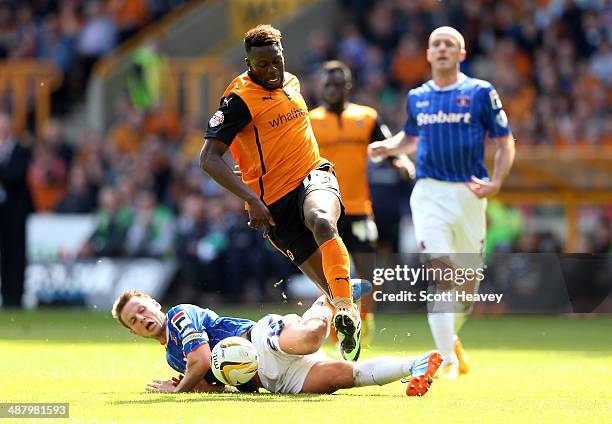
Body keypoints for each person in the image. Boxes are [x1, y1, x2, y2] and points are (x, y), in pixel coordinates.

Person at [199, 25, 360, 360]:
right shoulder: (237, 101)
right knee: (330, 285)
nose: (272, 71)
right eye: (262, 65)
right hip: (273, 206)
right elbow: (208, 158)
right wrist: (251, 199)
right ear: (248, 63)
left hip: (313, 175)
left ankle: (346, 310)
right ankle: (347, 315)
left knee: (321, 221)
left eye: (277, 61)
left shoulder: (293, 82)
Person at [369, 26, 515, 379]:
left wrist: (497, 181)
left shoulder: (480, 92)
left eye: (450, 44)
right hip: (429, 192)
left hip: (468, 194)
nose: (443, 49)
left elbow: (505, 141)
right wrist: (389, 147)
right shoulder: (418, 96)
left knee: (466, 288)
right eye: (436, 44)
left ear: (461, 54)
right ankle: (446, 359)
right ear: (429, 54)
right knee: (441, 275)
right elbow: (412, 137)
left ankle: (450, 339)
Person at [111, 289, 442, 396]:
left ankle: (333, 297)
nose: (142, 318)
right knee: (345, 376)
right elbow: (215, 383)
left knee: (313, 338)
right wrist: (197, 386)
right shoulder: (172, 358)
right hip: (271, 380)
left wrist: (179, 390)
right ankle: (415, 365)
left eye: (142, 309)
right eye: (134, 321)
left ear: (155, 304)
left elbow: (200, 360)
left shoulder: (181, 315)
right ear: (134, 332)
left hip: (261, 340)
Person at [309, 60, 413, 344]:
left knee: (367, 272)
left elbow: (388, 146)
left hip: (359, 209)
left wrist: (401, 161)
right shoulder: (310, 122)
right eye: (327, 84)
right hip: (324, 210)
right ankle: (333, 326)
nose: (332, 89)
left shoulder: (366, 117)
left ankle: (364, 321)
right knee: (328, 272)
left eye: (337, 84)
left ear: (348, 86)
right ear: (321, 87)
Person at [0, 114, 33, 308]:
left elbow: (15, 175)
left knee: (16, 256)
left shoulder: (21, 149)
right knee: (3, 256)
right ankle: (5, 297)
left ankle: (16, 297)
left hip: (15, 212)